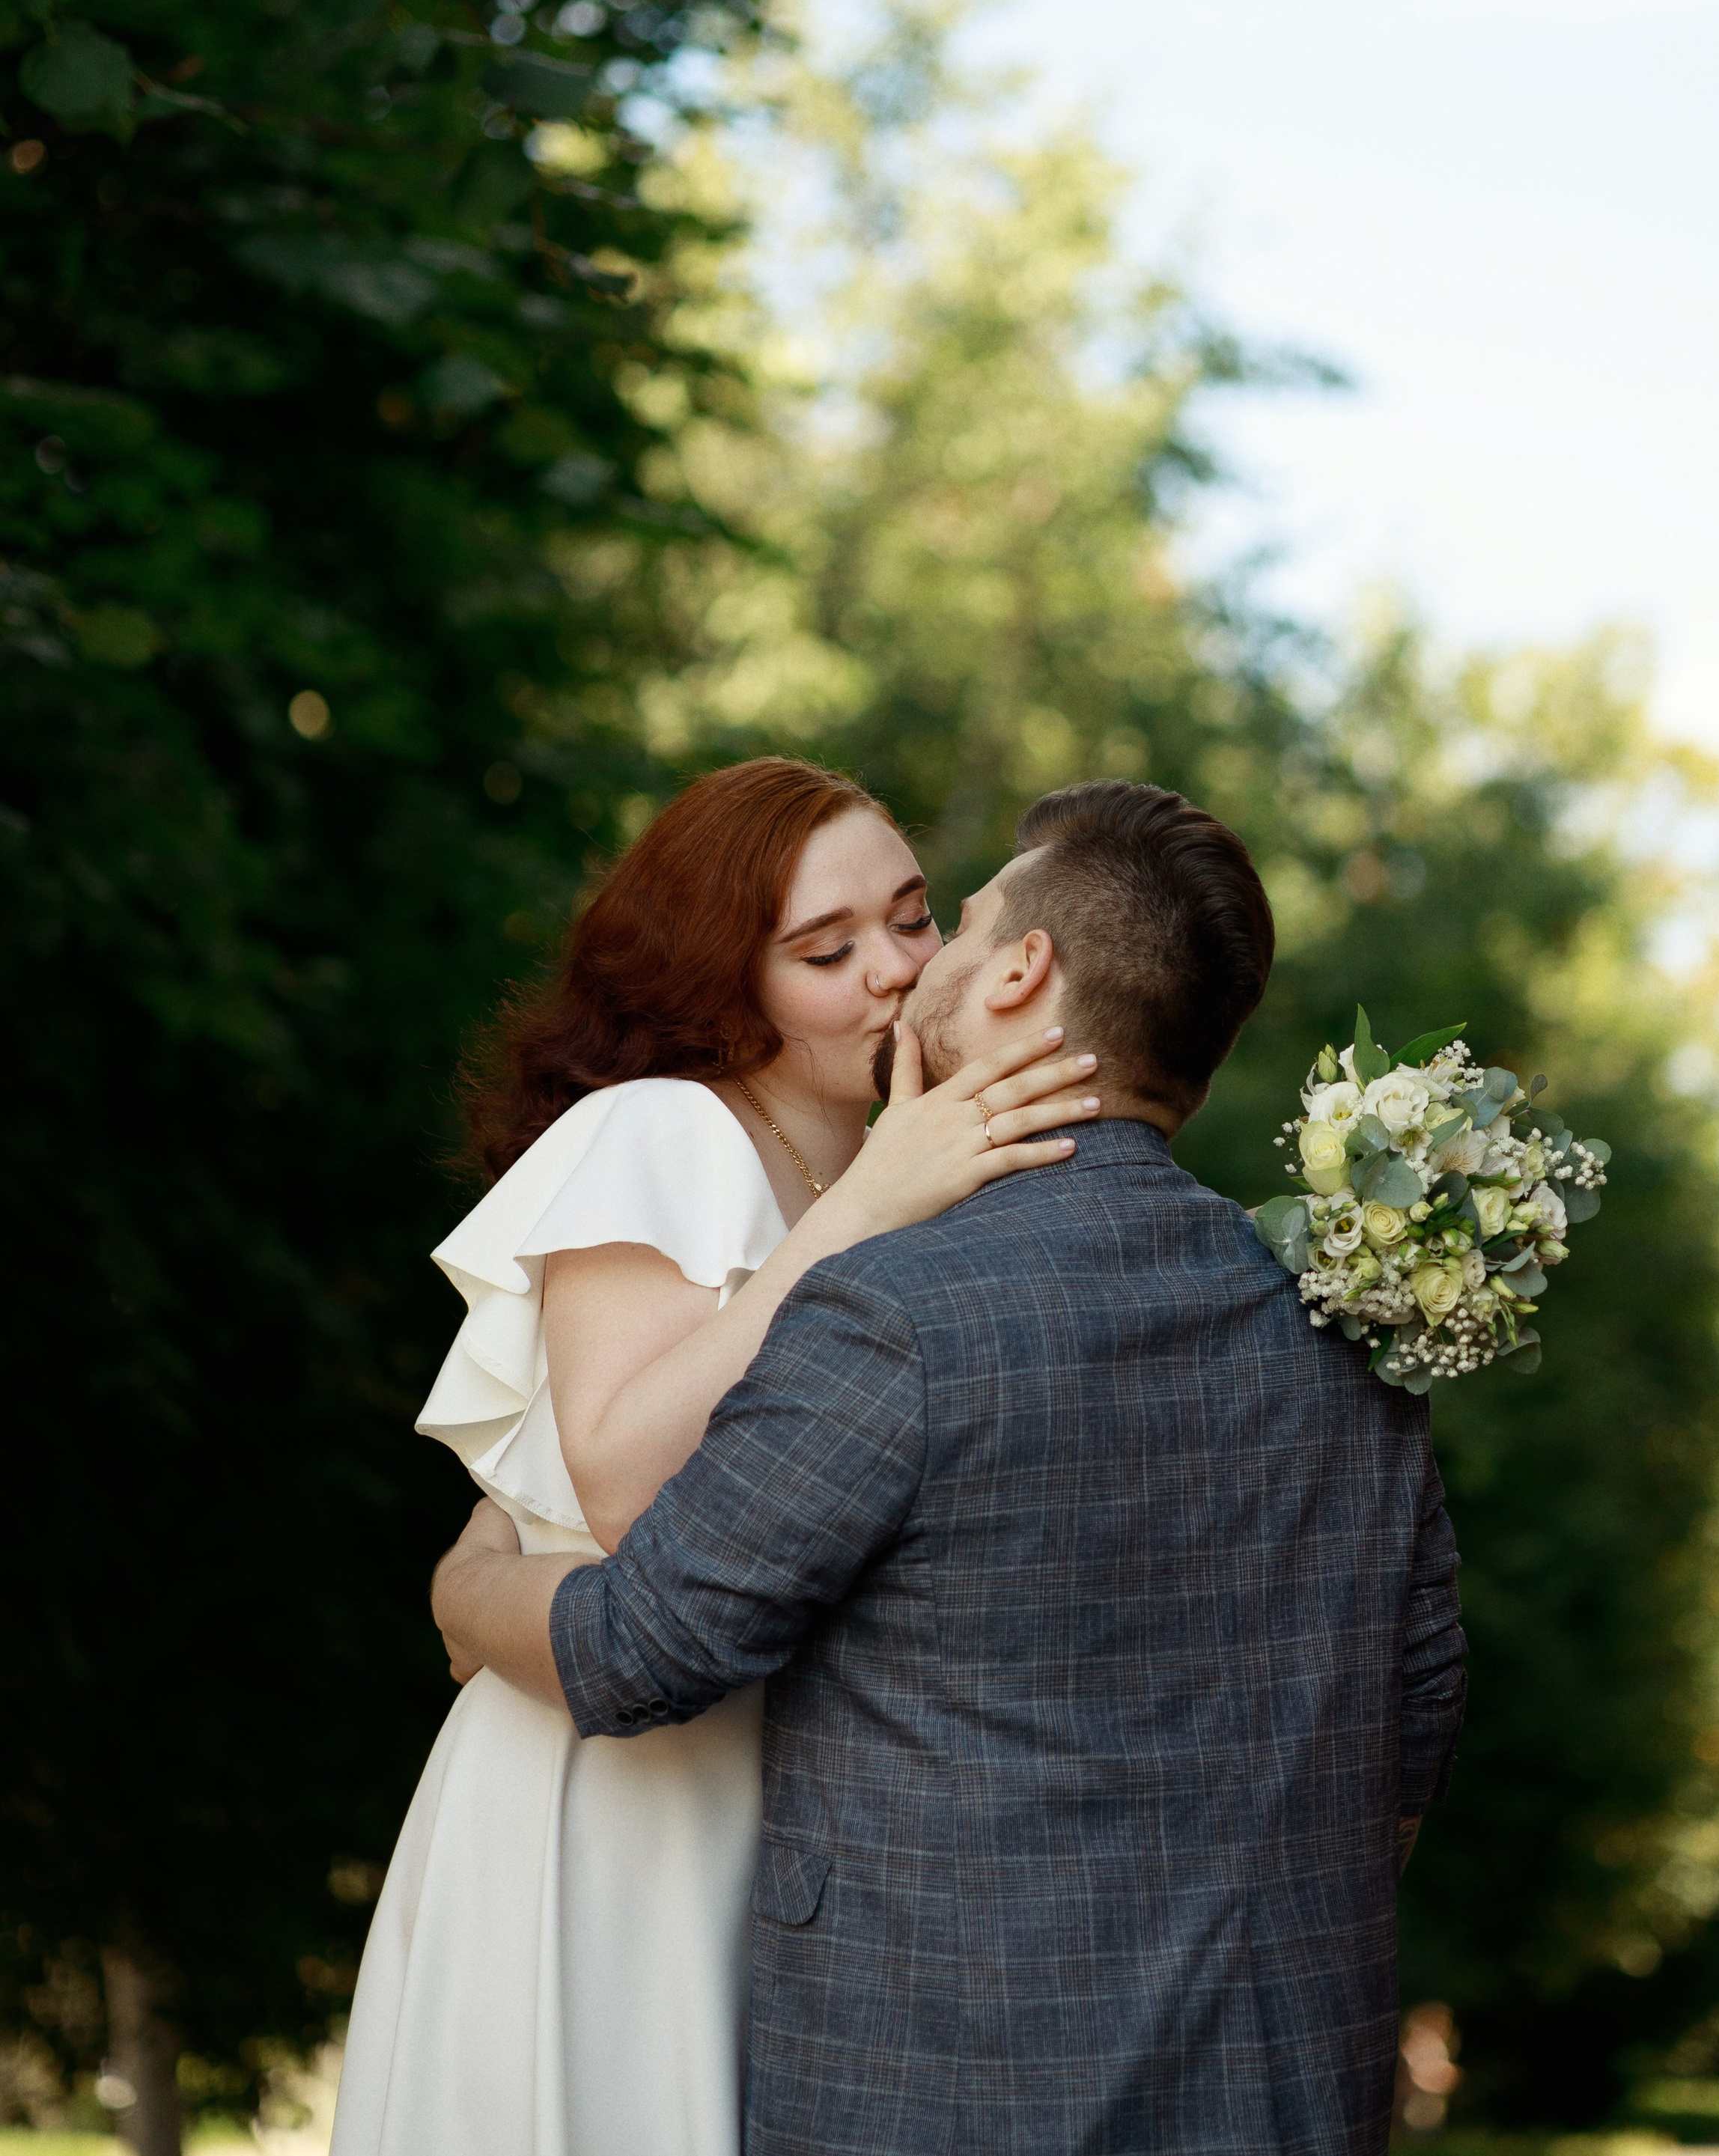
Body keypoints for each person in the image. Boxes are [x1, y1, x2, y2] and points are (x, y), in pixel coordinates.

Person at [435, 777, 1469, 2156]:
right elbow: (1417, 1721)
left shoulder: (900, 1308)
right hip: (1286, 2090)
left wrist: (469, 1577)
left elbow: (642, 1643)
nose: (916, 961)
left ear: (1023, 970)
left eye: (950, 918)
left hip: (944, 2092)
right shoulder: (1344, 1328)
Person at [331, 758, 1098, 2156]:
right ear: (721, 981)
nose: (892, 970)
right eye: (827, 948)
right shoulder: (659, 1130)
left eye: (914, 918)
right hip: (612, 1786)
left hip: (798, 1795)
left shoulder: (892, 1173)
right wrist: (872, 1201)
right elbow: (628, 1488)